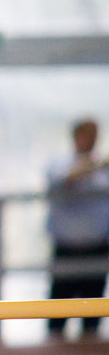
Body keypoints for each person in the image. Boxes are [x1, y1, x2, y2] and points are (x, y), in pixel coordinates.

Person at [46, 119, 109, 339]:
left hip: (97, 249)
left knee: (92, 320)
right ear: (75, 136)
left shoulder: (104, 169)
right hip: (66, 250)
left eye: (94, 134)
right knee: (56, 319)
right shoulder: (59, 163)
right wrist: (93, 166)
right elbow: (64, 180)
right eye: (86, 134)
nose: (91, 139)